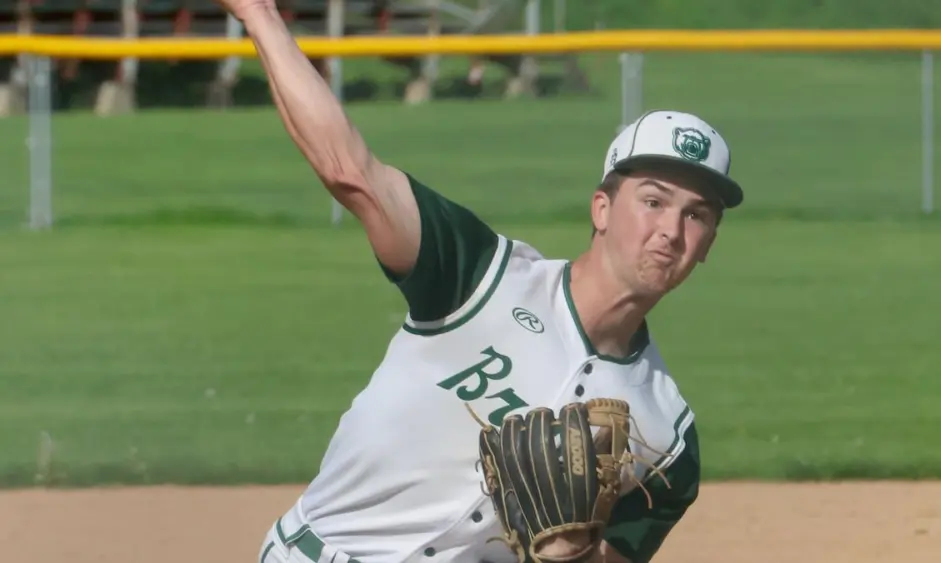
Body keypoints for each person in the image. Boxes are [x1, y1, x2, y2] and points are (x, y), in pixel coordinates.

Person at [223, 1, 745, 561]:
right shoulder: (481, 276)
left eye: (696, 215)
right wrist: (260, 15)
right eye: (653, 201)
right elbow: (352, 172)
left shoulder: (667, 439)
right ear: (601, 208)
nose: (670, 231)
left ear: (709, 243)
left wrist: (572, 552)